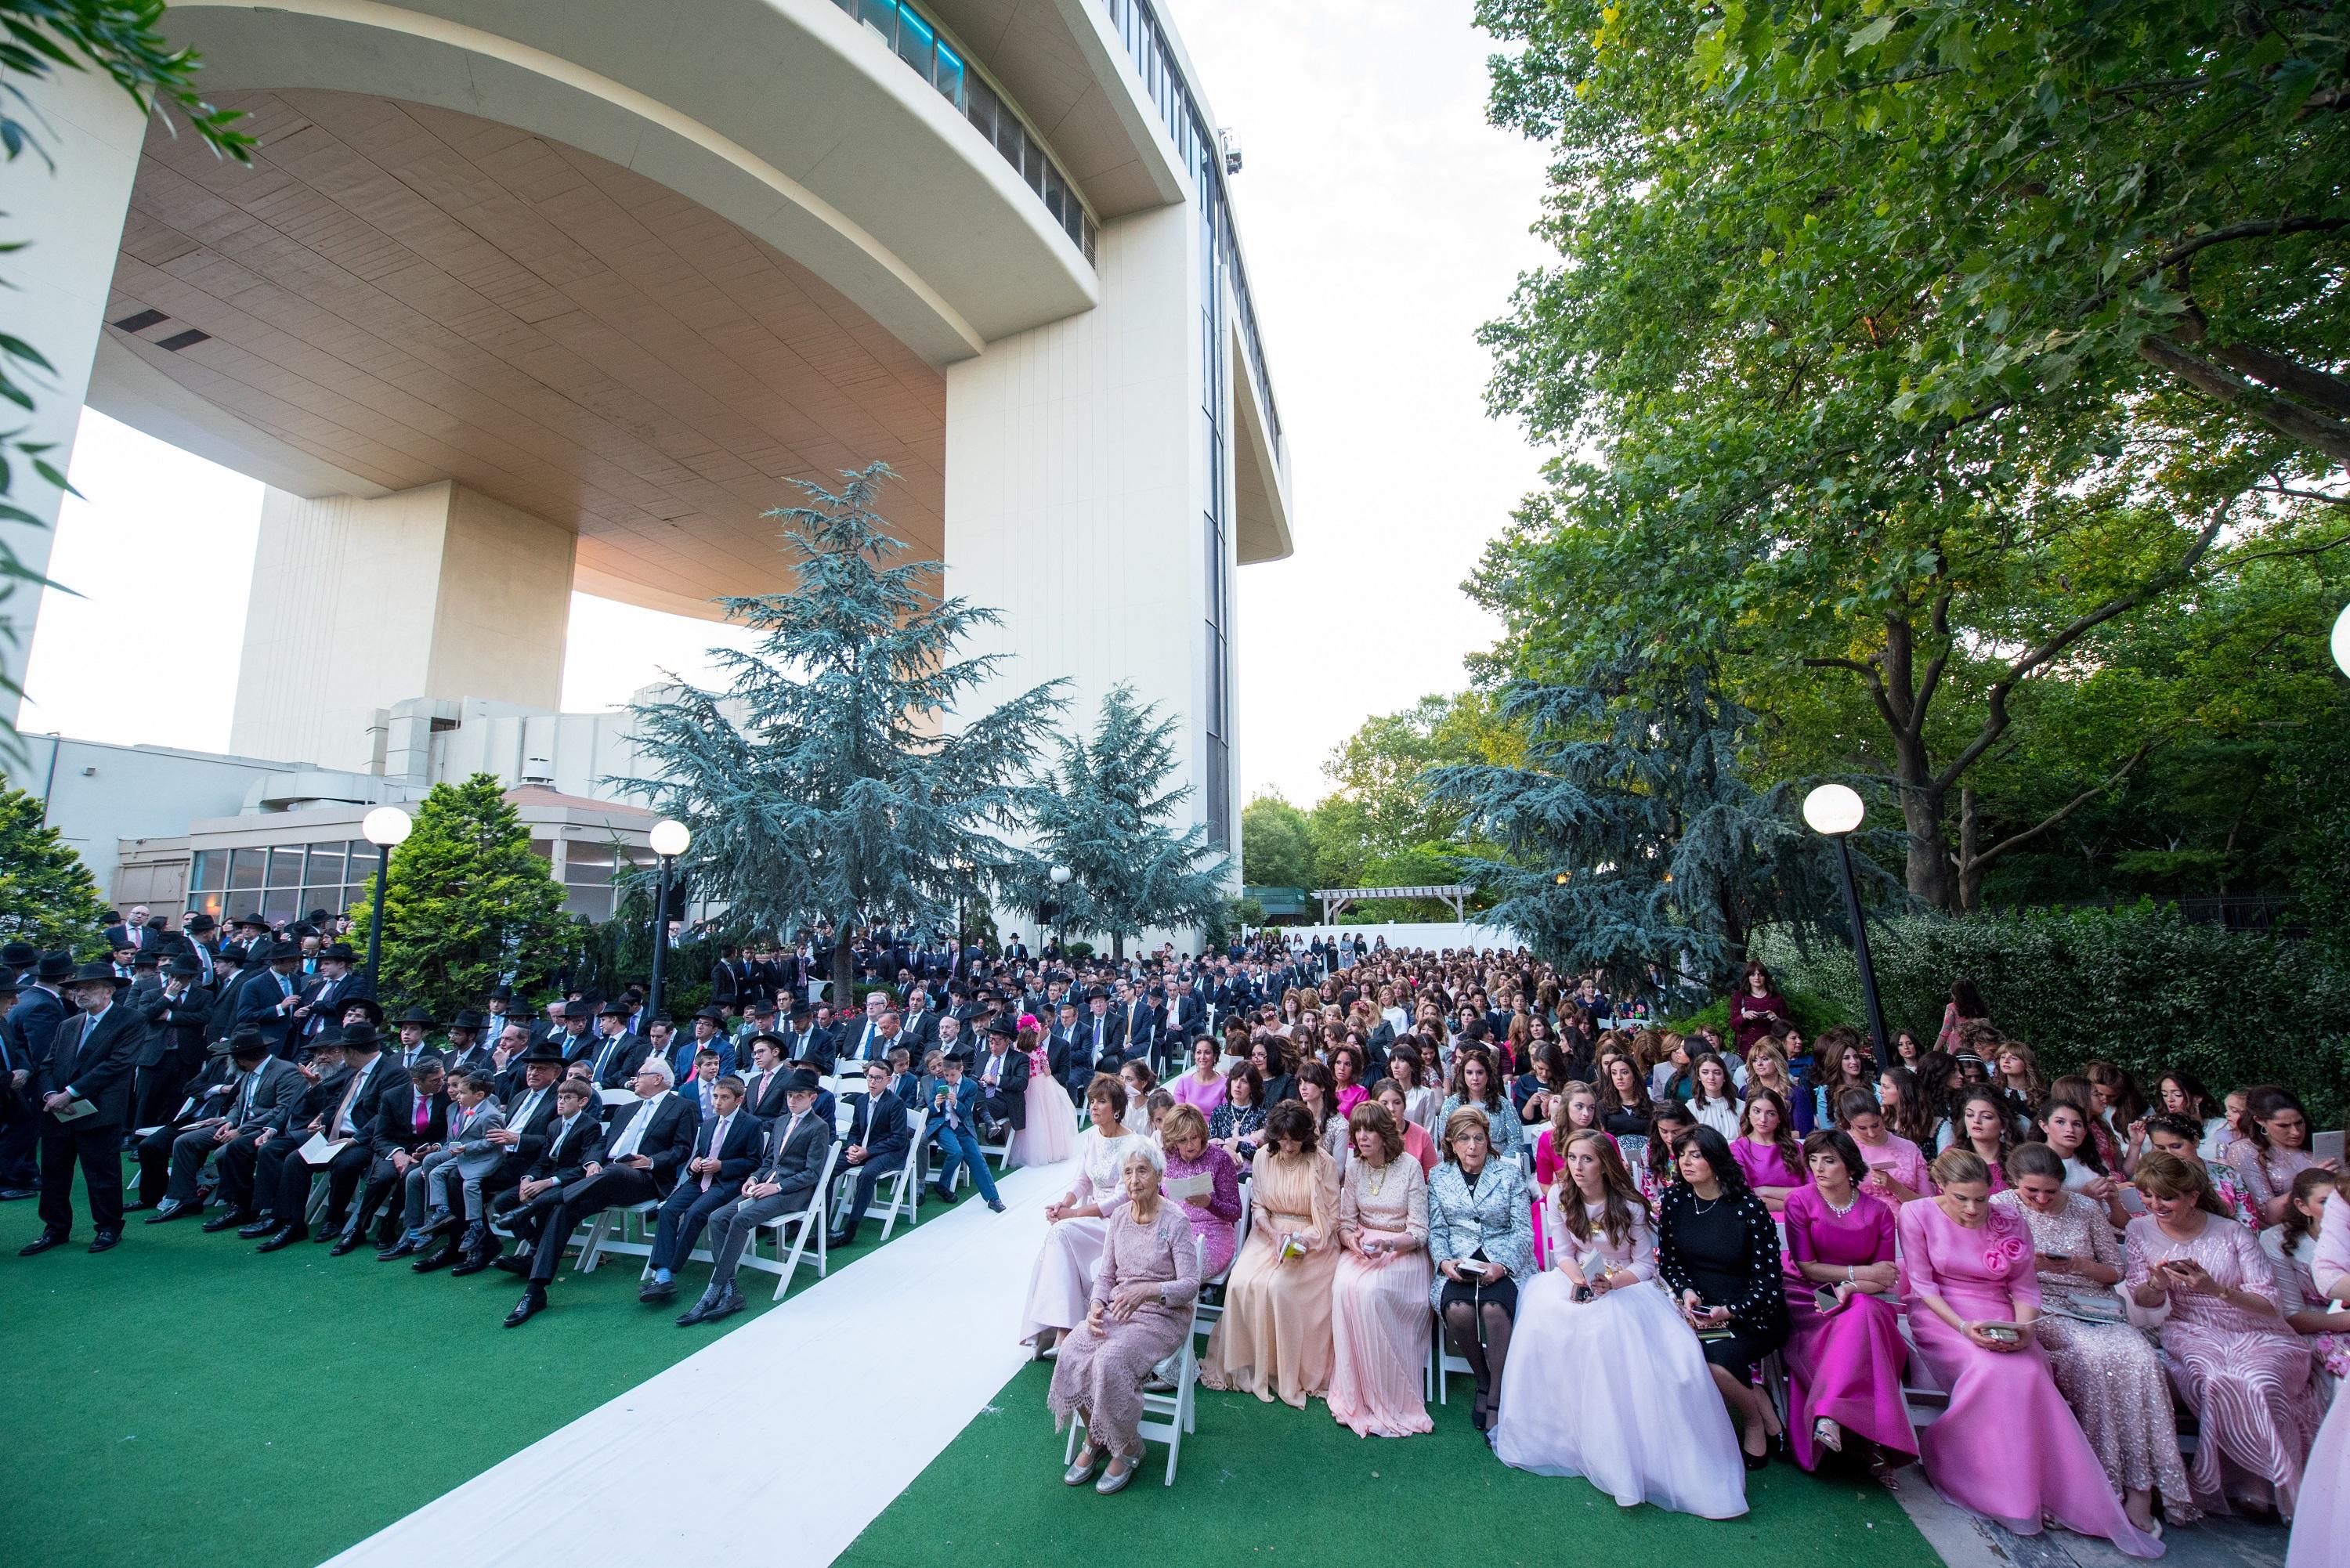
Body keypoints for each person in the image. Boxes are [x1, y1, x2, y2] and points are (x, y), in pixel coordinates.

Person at [1898, 1147, 2164, 1557]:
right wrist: (1966, 1328)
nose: (1973, 1208)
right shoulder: (1916, 1215)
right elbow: (1923, 1285)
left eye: (1981, 1198)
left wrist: (2024, 1328)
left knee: (2029, 1372)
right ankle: (1976, 1476)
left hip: (2002, 1311)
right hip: (1943, 1315)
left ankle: (2045, 1488)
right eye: (1961, 1198)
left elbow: (2024, 1287)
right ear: (1941, 1188)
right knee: (1990, 1370)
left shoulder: (2010, 1218)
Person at [1495, 1129, 1748, 1516]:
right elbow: (1562, 1252)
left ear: (1605, 1164)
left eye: (1587, 1159)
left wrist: (1610, 1284)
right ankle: (1565, 1438)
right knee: (1543, 1319)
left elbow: (1647, 1265)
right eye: (1572, 1158)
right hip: (1579, 1276)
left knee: (1614, 1336)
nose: (1577, 1167)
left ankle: (1632, 1450)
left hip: (1627, 1284)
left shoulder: (1630, 1205)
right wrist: (1580, 1280)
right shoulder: (1560, 1196)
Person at [1997, 1142, 2193, 1531]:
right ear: (2014, 1182)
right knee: (2091, 1357)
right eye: (2031, 1191)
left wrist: (2077, 1265)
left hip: (2095, 1303)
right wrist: (2026, 1265)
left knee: (2138, 1358)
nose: (2039, 1199)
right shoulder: (2003, 1207)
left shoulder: (2085, 1209)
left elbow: (2115, 1272)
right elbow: (1989, 1265)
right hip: (2040, 1303)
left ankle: (2143, 1483)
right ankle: (2102, 1483)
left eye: (2050, 1192)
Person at [2127, 1149, 2321, 1523]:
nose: (2155, 1204)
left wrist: (2216, 1288)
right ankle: (2244, 1485)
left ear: (2192, 1197)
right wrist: (2157, 1282)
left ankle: (2271, 1484)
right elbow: (2143, 1298)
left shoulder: (2232, 1231)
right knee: (2216, 1378)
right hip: (2191, 1328)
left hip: (2257, 1328)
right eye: (2148, 1195)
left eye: (2166, 1196)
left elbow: (2269, 1302)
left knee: (2259, 1379)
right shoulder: (2139, 1230)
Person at [1049, 1141, 1201, 1495]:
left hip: (1161, 1317)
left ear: (1159, 1176)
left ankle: (1129, 1446)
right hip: (1119, 1312)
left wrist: (1147, 1291)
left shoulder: (1175, 1220)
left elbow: (1190, 1286)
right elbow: (1105, 1275)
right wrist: (1096, 1305)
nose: (1134, 1179)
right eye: (1128, 1172)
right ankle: (1099, 1434)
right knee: (1072, 1351)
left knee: (1108, 1361)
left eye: (1142, 1170)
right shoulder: (1118, 1217)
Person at [502, 1057, 698, 1327]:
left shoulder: (682, 1107)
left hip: (644, 1179)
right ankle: (535, 1291)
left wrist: (649, 1161)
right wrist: (592, 1162)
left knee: (616, 1171)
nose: (635, 1079)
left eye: (640, 1074)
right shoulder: (627, 1108)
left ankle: (536, 1205)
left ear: (658, 1079)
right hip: (604, 1176)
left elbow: (682, 1149)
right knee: (564, 1209)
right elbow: (603, 1142)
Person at [1780, 1129, 1914, 1472]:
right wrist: (1858, 1275)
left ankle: (1831, 1414)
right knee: (1861, 1319)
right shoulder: (1801, 1200)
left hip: (1862, 1296)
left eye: (1828, 1160)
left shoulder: (1879, 1211)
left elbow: (1885, 1277)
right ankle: (1873, 1442)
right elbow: (1808, 1267)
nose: (1818, 1168)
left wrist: (1853, 1286)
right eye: (1813, 1160)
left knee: (1865, 1312)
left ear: (1850, 1165)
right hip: (1809, 1293)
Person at [1655, 1124, 1789, 1467]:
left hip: (1751, 1313)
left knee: (1717, 1360)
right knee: (1677, 1347)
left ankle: (1754, 1421)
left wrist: (1728, 1311)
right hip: (1698, 1308)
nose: (1686, 1162)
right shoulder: (1675, 1200)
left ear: (1716, 1159)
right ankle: (1758, 1400)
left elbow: (1769, 1284)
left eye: (1696, 1155)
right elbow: (1670, 1262)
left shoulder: (1747, 1208)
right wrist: (1686, 1292)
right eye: (1682, 1154)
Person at [1200, 1101, 1342, 1408]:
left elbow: (1330, 1218)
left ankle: (1285, 1369)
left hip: (1312, 1237)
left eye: (1294, 1139)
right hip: (1268, 1234)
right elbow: (1259, 1206)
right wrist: (1272, 1232)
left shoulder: (1323, 1163)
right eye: (1283, 1139)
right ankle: (1249, 1363)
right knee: (1240, 1283)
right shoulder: (1265, 1156)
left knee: (1279, 1288)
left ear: (1306, 1136)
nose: (1288, 1146)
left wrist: (1302, 1239)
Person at [669, 1068, 834, 1328]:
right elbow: (768, 1161)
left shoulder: (818, 1127)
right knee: (717, 1217)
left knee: (740, 1219)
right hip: (765, 1185)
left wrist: (777, 1188)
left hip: (793, 1193)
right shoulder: (781, 1122)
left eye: (799, 1096)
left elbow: (812, 1174)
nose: (792, 1100)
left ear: (812, 1098)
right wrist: (754, 1179)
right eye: (790, 1095)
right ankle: (732, 1291)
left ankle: (713, 1291)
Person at [18, 963, 139, 1256]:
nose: (80, 993)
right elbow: (47, 1064)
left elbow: (116, 1065)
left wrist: (70, 1094)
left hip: (98, 1111)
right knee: (54, 1173)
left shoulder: (129, 1020)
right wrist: (50, 1095)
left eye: (88, 987)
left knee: (102, 1173)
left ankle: (109, 1227)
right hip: (58, 1112)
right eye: (77, 988)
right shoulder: (69, 1024)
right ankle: (55, 1228)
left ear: (109, 990)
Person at [1426, 1106, 1534, 1433]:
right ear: (1452, 1144)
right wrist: (1444, 1262)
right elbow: (1436, 1229)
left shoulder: (1509, 1174)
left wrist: (1502, 1266)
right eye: (1464, 1139)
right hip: (1459, 1260)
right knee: (1457, 1310)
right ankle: (1483, 1379)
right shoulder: (1438, 1176)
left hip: (1503, 1260)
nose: (1472, 1146)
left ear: (1488, 1140)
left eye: (1478, 1138)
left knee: (1493, 1309)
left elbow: (1524, 1230)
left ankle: (1496, 1394)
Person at [1328, 1102, 1433, 1439]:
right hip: (1363, 1247)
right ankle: (1355, 1390)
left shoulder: (1410, 1167)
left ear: (1385, 1133)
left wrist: (1391, 1245)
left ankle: (1387, 1391)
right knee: (1343, 1286)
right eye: (1358, 1130)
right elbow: (1345, 1223)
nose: (1362, 1137)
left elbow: (1420, 1231)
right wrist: (1351, 1241)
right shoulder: (1356, 1168)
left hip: (1403, 1250)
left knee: (1372, 1293)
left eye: (1369, 1130)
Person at [1021, 1077, 1147, 1355]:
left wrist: (1074, 1214)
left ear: (1116, 1109)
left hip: (1118, 1221)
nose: (1094, 1107)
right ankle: (1061, 1329)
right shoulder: (1091, 1136)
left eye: (1101, 1101)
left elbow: (1123, 1196)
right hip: (1088, 1217)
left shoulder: (1133, 1142)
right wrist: (1062, 1205)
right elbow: (1082, 1181)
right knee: (1059, 1234)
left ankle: (1063, 1332)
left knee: (1062, 1232)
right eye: (1092, 1101)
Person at [640, 1075, 763, 1302]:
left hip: (728, 1183)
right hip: (700, 1180)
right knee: (668, 1210)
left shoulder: (751, 1124)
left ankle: (668, 1273)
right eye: (715, 1096)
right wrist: (697, 1162)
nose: (717, 1102)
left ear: (739, 1099)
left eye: (724, 1098)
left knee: (696, 1214)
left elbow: (755, 1163)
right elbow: (703, 1152)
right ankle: (662, 1272)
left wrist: (722, 1166)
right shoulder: (707, 1124)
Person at [2264, 1170, 2350, 1396]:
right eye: (2325, 1202)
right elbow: (2293, 1317)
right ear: (2302, 1206)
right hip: (2316, 1327)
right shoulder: (2276, 1241)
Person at [2229, 1086, 2337, 1228]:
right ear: (2260, 1121)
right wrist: (2311, 1183)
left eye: (2299, 1123)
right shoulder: (2246, 1150)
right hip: (2285, 1234)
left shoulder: (2317, 1144)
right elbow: (2265, 1214)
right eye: (2283, 1126)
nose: (2295, 1132)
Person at [1159, 1104, 1242, 1279]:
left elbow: (1235, 1212)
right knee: (1147, 1261)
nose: (1190, 1145)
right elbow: (1158, 1198)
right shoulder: (1166, 1156)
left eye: (1194, 1138)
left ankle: (1173, 1303)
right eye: (1182, 1140)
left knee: (1175, 1271)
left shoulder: (1219, 1159)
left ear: (1202, 1134)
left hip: (1213, 1236)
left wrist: (1209, 1203)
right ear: (1172, 1140)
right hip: (1173, 1231)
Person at [927, 1050, 1007, 1213]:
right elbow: (929, 1110)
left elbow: (966, 1113)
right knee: (956, 1153)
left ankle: (993, 1198)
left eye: (952, 1075)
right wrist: (936, 1104)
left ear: (961, 1070)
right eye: (946, 1075)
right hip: (944, 1125)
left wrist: (955, 1102)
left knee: (977, 1159)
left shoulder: (970, 1085)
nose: (949, 1079)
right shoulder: (938, 1084)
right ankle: (943, 1185)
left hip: (964, 1126)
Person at [2041, 1097, 2133, 1228]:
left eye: (2077, 1124)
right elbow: (2041, 1222)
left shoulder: (2093, 1162)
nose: (2070, 1130)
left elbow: (2124, 1225)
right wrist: (2084, 1198)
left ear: (2084, 1131)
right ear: (2044, 1126)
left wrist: (2113, 1202)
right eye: (2060, 1122)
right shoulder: (2035, 1163)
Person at [1008, 1020, 1076, 1168]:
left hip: (1025, 1085)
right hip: (1041, 1085)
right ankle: (1048, 1150)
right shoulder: (1040, 1053)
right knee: (1044, 1117)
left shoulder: (1017, 1051)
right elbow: (1047, 1071)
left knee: (1029, 1116)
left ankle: (1028, 1151)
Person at [1441, 1046, 1522, 1162]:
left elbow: (1516, 1142)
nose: (1475, 1078)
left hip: (1501, 1166)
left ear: (1488, 1075)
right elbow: (1446, 1141)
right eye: (1469, 1073)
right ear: (1463, 1075)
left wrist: (1500, 1165)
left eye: (1480, 1072)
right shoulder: (1451, 1105)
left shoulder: (1503, 1104)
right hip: (1463, 1165)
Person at [1730, 1088, 1805, 1212]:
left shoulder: (1797, 1148)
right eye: (1757, 1111)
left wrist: (1765, 1190)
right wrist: (1794, 1204)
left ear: (1779, 1118)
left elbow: (1813, 1191)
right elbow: (1745, 1196)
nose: (1763, 1119)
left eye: (1771, 1113)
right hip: (1759, 1218)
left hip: (1801, 1218)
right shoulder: (1737, 1149)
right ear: (1748, 1113)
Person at [1373, 1078, 1439, 1176]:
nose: (1391, 1109)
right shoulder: (1369, 1134)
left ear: (1404, 1105)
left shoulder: (1422, 1135)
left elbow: (1432, 1178)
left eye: (1397, 1103)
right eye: (1384, 1104)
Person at [1209, 1062, 1267, 1166]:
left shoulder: (1262, 1115)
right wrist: (1225, 1147)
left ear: (1252, 1087)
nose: (1237, 1085)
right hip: (1221, 1171)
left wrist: (1237, 1145)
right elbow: (1209, 1148)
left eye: (1244, 1081)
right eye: (1235, 1079)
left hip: (1251, 1175)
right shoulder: (1219, 1112)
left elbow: (1265, 1155)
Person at [1729, 960, 1791, 1052]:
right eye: (1753, 974)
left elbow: (1789, 1026)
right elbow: (1733, 1025)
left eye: (1760, 974)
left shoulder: (1777, 999)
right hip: (1747, 1049)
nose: (1757, 977)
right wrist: (1744, 1016)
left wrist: (1777, 1020)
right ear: (1748, 977)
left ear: (1765, 977)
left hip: (1772, 1048)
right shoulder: (1739, 997)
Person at [1686, 1051, 1743, 1140]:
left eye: (1717, 1073)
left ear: (1724, 1076)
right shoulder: (1691, 1108)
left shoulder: (1741, 1106)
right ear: (1699, 1076)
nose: (1711, 1077)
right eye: (1705, 1072)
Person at [1171, 1034, 1228, 1117]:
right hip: (1188, 1128)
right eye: (1199, 1052)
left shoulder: (1225, 1085)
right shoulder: (1183, 1083)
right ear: (1194, 1055)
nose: (1202, 1057)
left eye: (1207, 1053)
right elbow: (1179, 1115)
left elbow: (1225, 1116)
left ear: (1215, 1056)